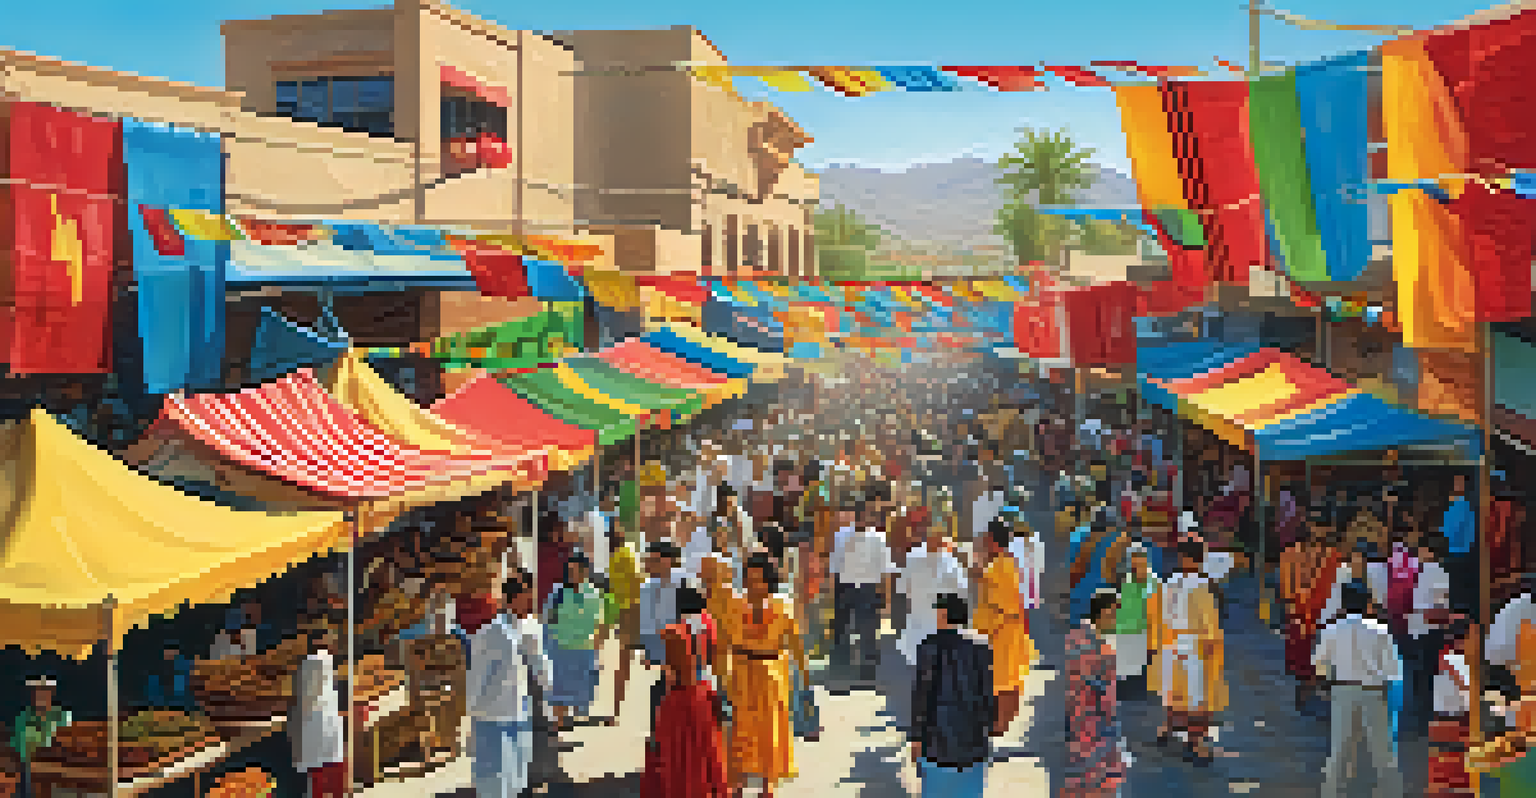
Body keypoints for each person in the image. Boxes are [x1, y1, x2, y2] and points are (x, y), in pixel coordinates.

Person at [726, 553, 807, 798]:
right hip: (743, 670)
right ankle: (738, 782)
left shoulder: (783, 605)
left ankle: (767, 784)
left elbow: (794, 642)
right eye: (749, 579)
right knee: (741, 728)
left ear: (769, 581)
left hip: (772, 672)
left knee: (770, 729)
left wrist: (803, 675)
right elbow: (726, 641)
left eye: (759, 580)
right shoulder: (735, 604)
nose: (754, 585)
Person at [1313, 581, 1405, 798]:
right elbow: (1393, 671)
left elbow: (1320, 664)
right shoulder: (1380, 631)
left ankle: (1332, 794)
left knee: (1339, 750)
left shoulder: (1331, 629)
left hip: (1342, 691)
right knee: (1383, 752)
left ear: (1343, 603)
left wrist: (1326, 686)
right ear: (1367, 604)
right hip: (1374, 691)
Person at [467, 567, 552, 798]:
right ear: (511, 600)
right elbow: (476, 675)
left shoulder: (529, 629)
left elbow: (543, 674)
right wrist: (472, 713)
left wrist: (538, 659)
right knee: (494, 782)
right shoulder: (491, 634)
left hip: (520, 713)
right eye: (526, 600)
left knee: (516, 779)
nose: (530, 606)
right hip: (492, 717)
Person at [642, 584, 729, 798]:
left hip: (682, 692)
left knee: (678, 749)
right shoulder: (710, 623)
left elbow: (676, 671)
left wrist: (654, 664)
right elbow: (716, 659)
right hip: (707, 686)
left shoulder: (675, 630)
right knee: (708, 746)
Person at [1147, 539, 1228, 765]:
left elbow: (1158, 614)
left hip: (1171, 643)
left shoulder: (1170, 582)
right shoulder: (1202, 586)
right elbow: (1209, 622)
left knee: (1174, 690)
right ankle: (1196, 743)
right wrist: (1212, 648)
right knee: (1198, 696)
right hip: (1196, 645)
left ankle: (1168, 728)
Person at [911, 593, 997, 798]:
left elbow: (921, 696)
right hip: (973, 743)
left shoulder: (928, 646)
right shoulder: (982, 647)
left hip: (935, 743)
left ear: (943, 615)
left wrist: (915, 738)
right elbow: (987, 697)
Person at [1065, 589, 1129, 798]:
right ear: (1100, 614)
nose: (1116, 620)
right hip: (1090, 725)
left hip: (1096, 726)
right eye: (1113, 614)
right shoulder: (1087, 643)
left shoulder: (1089, 639)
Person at [975, 519, 1036, 736]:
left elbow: (999, 606)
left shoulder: (998, 567)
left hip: (1001, 631)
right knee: (1010, 680)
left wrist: (986, 631)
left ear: (992, 540)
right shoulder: (1007, 563)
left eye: (984, 540)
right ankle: (1003, 723)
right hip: (1009, 628)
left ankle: (1000, 725)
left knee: (1003, 682)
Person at [830, 508, 896, 688]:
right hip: (845, 587)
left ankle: (868, 674)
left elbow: (885, 570)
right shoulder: (841, 536)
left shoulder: (879, 539)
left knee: (868, 631)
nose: (862, 520)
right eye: (858, 517)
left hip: (868, 588)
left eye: (866, 517)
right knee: (842, 630)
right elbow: (834, 566)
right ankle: (840, 669)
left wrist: (886, 599)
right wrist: (832, 591)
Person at [542, 552, 605, 731]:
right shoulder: (558, 593)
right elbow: (548, 620)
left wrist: (597, 654)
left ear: (585, 571)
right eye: (569, 570)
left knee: (580, 690)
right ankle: (558, 724)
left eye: (576, 570)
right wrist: (547, 648)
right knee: (558, 689)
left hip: (584, 650)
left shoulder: (594, 595)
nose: (572, 574)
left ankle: (572, 717)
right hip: (560, 649)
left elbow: (598, 625)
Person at [605, 510, 646, 726]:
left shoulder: (613, 556)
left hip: (623, 611)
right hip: (637, 610)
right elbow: (641, 581)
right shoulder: (627, 553)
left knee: (624, 664)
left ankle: (615, 711)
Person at [292, 638, 346, 798]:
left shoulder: (310, 663)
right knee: (330, 774)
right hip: (325, 724)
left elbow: (305, 697)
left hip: (314, 725)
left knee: (318, 776)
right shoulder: (325, 661)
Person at [1429, 618, 1474, 797]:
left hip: (1442, 718)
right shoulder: (1455, 659)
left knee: (1442, 769)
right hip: (1455, 720)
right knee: (1454, 769)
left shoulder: (1445, 656)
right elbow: (1467, 685)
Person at [1111, 543, 1160, 699]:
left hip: (1142, 633)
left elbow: (1155, 612)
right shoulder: (1128, 580)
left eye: (1140, 559)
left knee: (1139, 668)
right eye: (1134, 560)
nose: (1136, 563)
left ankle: (1138, 690)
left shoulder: (1152, 583)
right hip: (1125, 632)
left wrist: (1153, 641)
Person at [11, 676, 71, 798]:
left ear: (51, 694)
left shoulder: (62, 715)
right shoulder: (24, 716)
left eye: (45, 691)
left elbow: (67, 739)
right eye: (37, 692)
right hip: (29, 765)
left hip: (58, 764)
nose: (41, 696)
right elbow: (20, 744)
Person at [1442, 475, 1478, 618]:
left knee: (1457, 593)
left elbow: (1449, 530)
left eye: (1459, 483)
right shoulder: (1467, 505)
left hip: (1457, 553)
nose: (1456, 486)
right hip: (1465, 553)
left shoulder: (1460, 505)